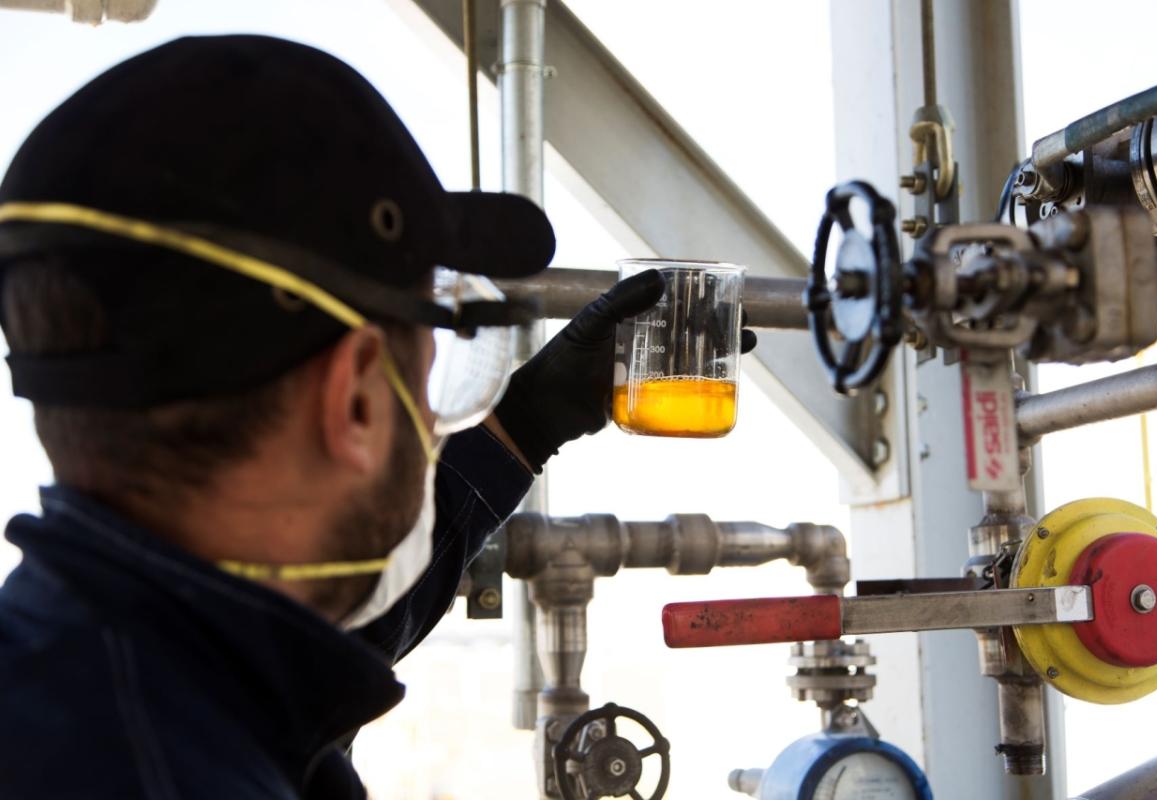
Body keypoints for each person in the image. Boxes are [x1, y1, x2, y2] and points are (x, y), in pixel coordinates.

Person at [0, 34, 682, 799]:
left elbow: (296, 637)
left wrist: (524, 425)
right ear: (357, 396)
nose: (429, 420)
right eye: (430, 368)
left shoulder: (97, 666)